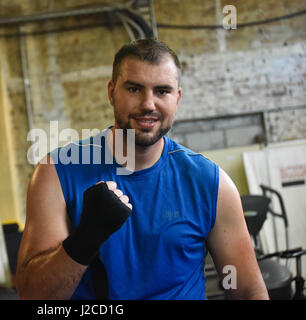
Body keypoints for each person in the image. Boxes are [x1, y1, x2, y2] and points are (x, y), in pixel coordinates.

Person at [15, 38, 269, 300]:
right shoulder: (56, 173)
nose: (148, 104)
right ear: (112, 92)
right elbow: (33, 296)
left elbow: (247, 291)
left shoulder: (211, 184)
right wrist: (85, 239)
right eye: (134, 89)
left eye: (162, 91)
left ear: (177, 98)